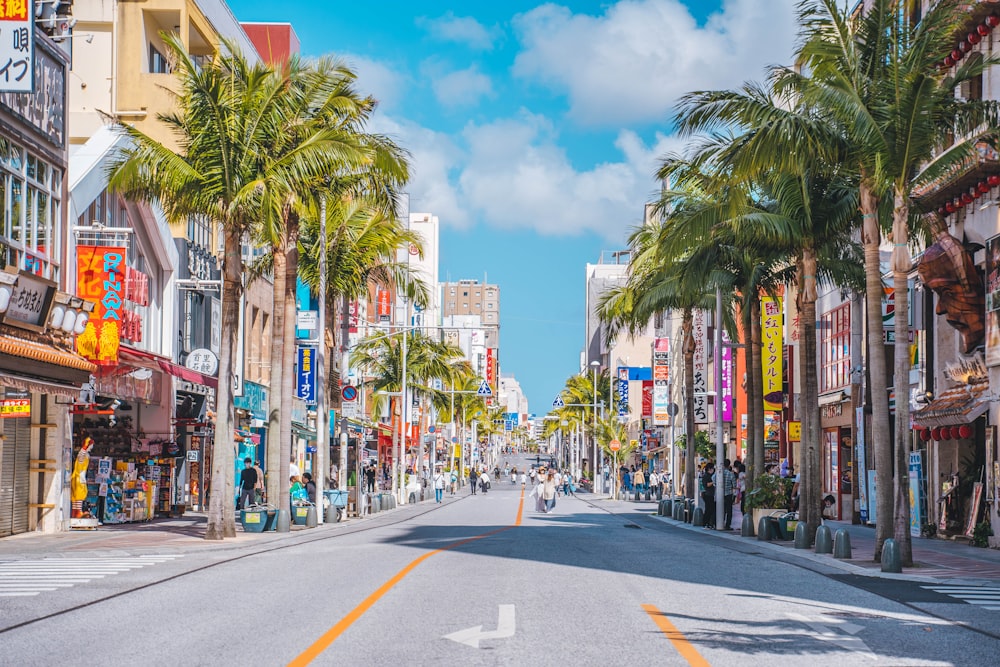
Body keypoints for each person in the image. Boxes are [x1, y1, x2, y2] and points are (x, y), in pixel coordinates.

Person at [71, 437, 94, 518]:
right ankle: (78, 512)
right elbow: (80, 461)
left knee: (77, 496)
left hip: (79, 476)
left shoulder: (84, 454)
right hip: (79, 476)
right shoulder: (82, 453)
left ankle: (76, 512)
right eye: (91, 445)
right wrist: (84, 447)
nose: (92, 447)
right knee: (79, 495)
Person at [721, 459, 736, 530]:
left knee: (722, 509)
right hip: (729, 494)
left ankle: (720, 523)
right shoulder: (731, 474)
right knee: (729, 510)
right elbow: (734, 485)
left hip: (720, 494)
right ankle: (728, 525)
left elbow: (713, 480)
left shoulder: (719, 473)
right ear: (729, 465)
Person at [701, 462, 716, 529]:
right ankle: (705, 523)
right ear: (709, 469)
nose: (713, 470)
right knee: (709, 509)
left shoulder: (710, 475)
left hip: (710, 494)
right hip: (708, 494)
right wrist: (713, 482)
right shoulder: (706, 476)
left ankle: (708, 523)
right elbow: (706, 485)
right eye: (712, 468)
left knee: (711, 509)